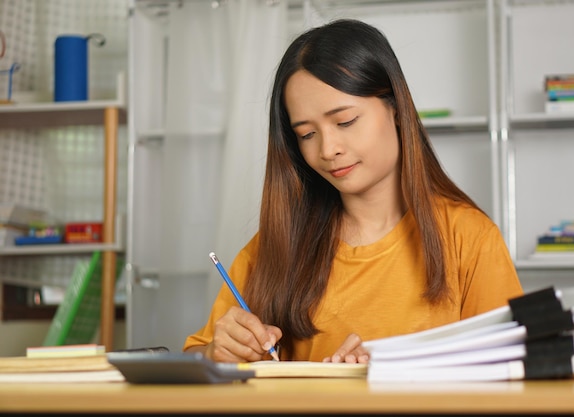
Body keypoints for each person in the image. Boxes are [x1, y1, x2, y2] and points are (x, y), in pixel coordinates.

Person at [183, 18, 523, 364]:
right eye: (306, 134)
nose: (328, 149)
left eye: (345, 121)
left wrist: (385, 376)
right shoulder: (275, 246)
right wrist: (215, 354)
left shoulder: (469, 239)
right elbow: (194, 360)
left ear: (395, 108)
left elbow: (513, 377)